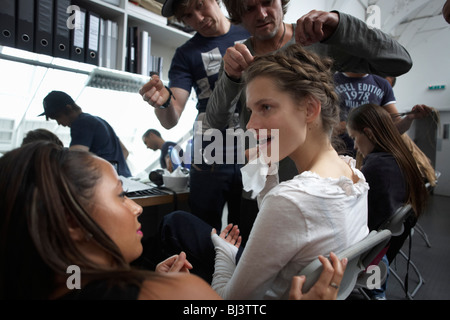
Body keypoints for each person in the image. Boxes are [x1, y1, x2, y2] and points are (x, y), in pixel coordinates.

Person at [0, 141, 347, 300]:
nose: (136, 208)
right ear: (70, 222)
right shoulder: (182, 292)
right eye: (121, 195)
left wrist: (151, 281)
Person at [161, 44, 368, 300]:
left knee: (174, 224)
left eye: (266, 108)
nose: (250, 125)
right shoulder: (352, 172)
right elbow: (285, 224)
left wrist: (225, 253)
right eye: (251, 110)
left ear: (310, 109)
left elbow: (230, 300)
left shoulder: (290, 200)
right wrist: (269, 171)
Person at [202, 0, 414, 238]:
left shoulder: (318, 42)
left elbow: (400, 61)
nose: (261, 14)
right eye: (249, 8)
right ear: (237, 14)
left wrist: (340, 25)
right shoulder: (238, 58)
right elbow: (215, 121)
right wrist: (231, 77)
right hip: (261, 188)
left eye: (267, 2)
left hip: (317, 187)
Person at [140, 0, 251, 232]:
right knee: (202, 227)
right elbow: (171, 119)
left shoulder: (250, 30)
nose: (198, 18)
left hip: (253, 143)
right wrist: (164, 102)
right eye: (188, 16)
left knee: (250, 227)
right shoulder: (185, 54)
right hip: (209, 148)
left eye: (201, 5)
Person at [346, 103, 429, 299]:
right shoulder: (400, 158)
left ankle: (373, 291)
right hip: (384, 248)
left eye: (355, 138)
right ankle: (376, 293)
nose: (355, 146)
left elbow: (363, 224)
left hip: (374, 253)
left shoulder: (376, 167)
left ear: (368, 132)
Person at [39, 90, 132, 177]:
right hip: (124, 180)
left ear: (69, 108)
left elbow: (75, 160)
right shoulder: (99, 120)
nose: (59, 122)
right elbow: (125, 152)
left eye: (57, 117)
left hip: (107, 183)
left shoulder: (81, 123)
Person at [333, 72, 397, 156]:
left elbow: (396, 124)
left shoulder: (382, 83)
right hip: (338, 151)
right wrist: (343, 126)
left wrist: (410, 118)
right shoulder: (330, 81)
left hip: (372, 154)